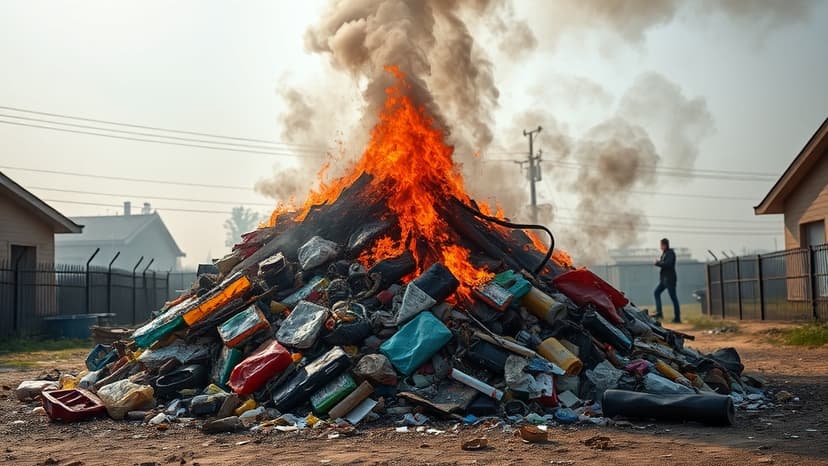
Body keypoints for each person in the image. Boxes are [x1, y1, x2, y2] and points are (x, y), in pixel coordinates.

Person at [654, 238, 681, 323]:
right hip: (664, 280)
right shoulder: (665, 253)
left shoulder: (670, 253)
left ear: (665, 245)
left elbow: (668, 264)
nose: (660, 247)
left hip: (669, 279)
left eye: (661, 245)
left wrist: (658, 263)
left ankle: (677, 318)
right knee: (656, 292)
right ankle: (659, 314)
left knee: (673, 298)